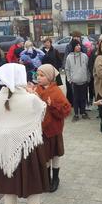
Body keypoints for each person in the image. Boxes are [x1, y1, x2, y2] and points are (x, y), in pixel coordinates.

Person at [0, 63, 50, 204]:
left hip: (5, 148)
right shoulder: (30, 98)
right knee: (32, 183)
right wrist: (34, 95)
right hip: (28, 147)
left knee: (9, 184)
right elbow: (42, 111)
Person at [33, 64, 71, 193]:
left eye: (42, 75)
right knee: (45, 156)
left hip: (54, 130)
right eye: (37, 75)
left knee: (55, 154)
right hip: (40, 129)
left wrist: (52, 104)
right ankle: (46, 178)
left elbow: (66, 110)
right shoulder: (36, 90)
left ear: (49, 77)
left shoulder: (56, 91)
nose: (38, 77)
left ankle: (55, 178)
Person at [65, 40, 89, 121]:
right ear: (73, 47)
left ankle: (83, 112)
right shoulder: (69, 57)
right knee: (75, 98)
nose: (79, 47)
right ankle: (76, 114)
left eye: (79, 45)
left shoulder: (85, 56)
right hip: (74, 82)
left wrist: (88, 78)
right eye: (77, 45)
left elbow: (88, 68)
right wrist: (69, 79)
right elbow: (67, 69)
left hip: (84, 81)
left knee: (83, 98)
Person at [63, 31, 88, 106]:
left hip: (81, 72)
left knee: (83, 91)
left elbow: (85, 57)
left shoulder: (83, 46)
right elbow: (66, 58)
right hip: (72, 71)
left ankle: (83, 105)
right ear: (72, 38)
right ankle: (71, 104)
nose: (76, 38)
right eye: (75, 37)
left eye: (78, 37)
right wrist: (66, 71)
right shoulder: (68, 46)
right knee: (71, 89)